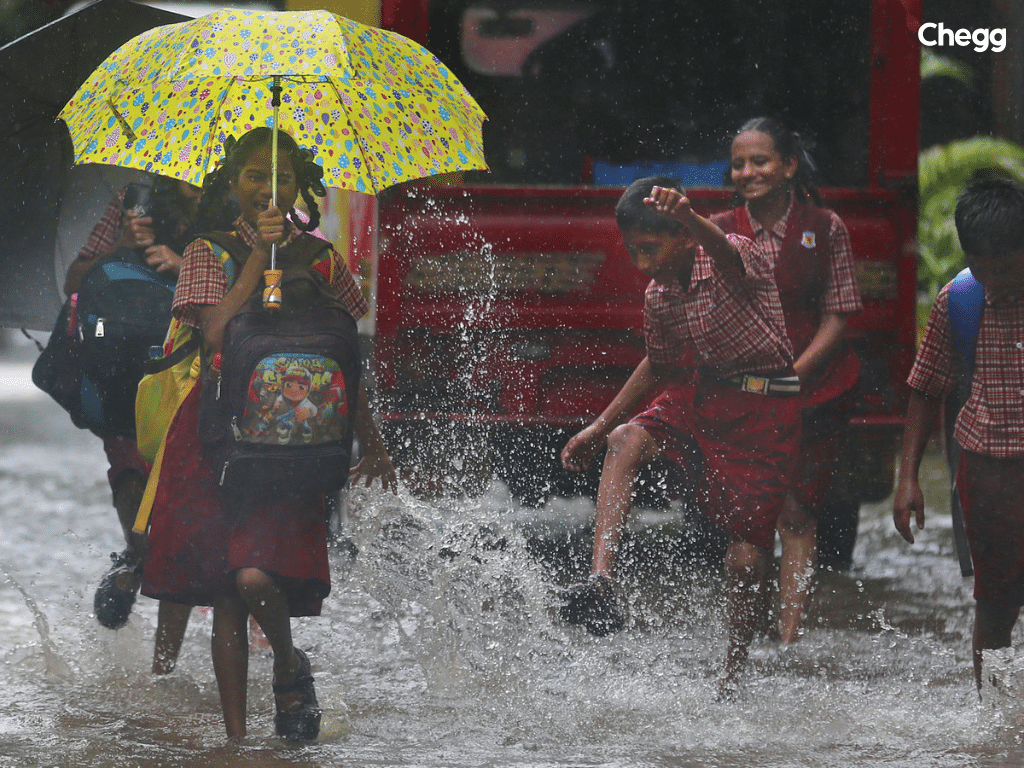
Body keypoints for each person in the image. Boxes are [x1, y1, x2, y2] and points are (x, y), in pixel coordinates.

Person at [139, 127, 398, 743]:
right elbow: (214, 335)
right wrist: (260, 257)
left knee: (255, 579)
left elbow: (344, 355)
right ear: (233, 183)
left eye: (281, 175)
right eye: (255, 174)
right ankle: (236, 744)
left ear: (301, 186)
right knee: (222, 590)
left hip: (295, 444)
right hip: (214, 441)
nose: (268, 188)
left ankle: (287, 663)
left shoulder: (323, 258)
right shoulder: (206, 251)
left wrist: (374, 442)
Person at [559, 176, 801, 695]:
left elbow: (724, 249)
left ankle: (732, 676)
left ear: (685, 236)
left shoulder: (734, 253)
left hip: (766, 409)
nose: (640, 261)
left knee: (744, 560)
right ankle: (603, 581)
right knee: (626, 438)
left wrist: (692, 218)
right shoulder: (659, 296)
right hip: (703, 394)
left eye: (649, 247)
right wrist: (598, 427)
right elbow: (661, 364)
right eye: (632, 249)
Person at [711, 118, 863, 644]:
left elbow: (837, 317)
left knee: (797, 514)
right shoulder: (718, 228)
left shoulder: (825, 227)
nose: (748, 172)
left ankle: (790, 641)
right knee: (746, 525)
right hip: (742, 397)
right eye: (738, 164)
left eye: (760, 161)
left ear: (789, 166)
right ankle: (741, 639)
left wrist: (791, 377)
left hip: (813, 394)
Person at [65, 175, 201, 674]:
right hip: (124, 387)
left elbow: (249, 301)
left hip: (193, 385)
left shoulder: (238, 214)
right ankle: (137, 559)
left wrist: (191, 272)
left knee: (179, 526)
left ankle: (161, 664)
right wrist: (121, 247)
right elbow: (75, 283)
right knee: (137, 495)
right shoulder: (131, 200)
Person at [894, 178, 1024, 694]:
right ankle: (994, 720)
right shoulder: (961, 298)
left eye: (1007, 265)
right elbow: (926, 389)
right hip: (986, 472)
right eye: (982, 263)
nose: (994, 277)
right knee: (995, 604)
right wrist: (907, 478)